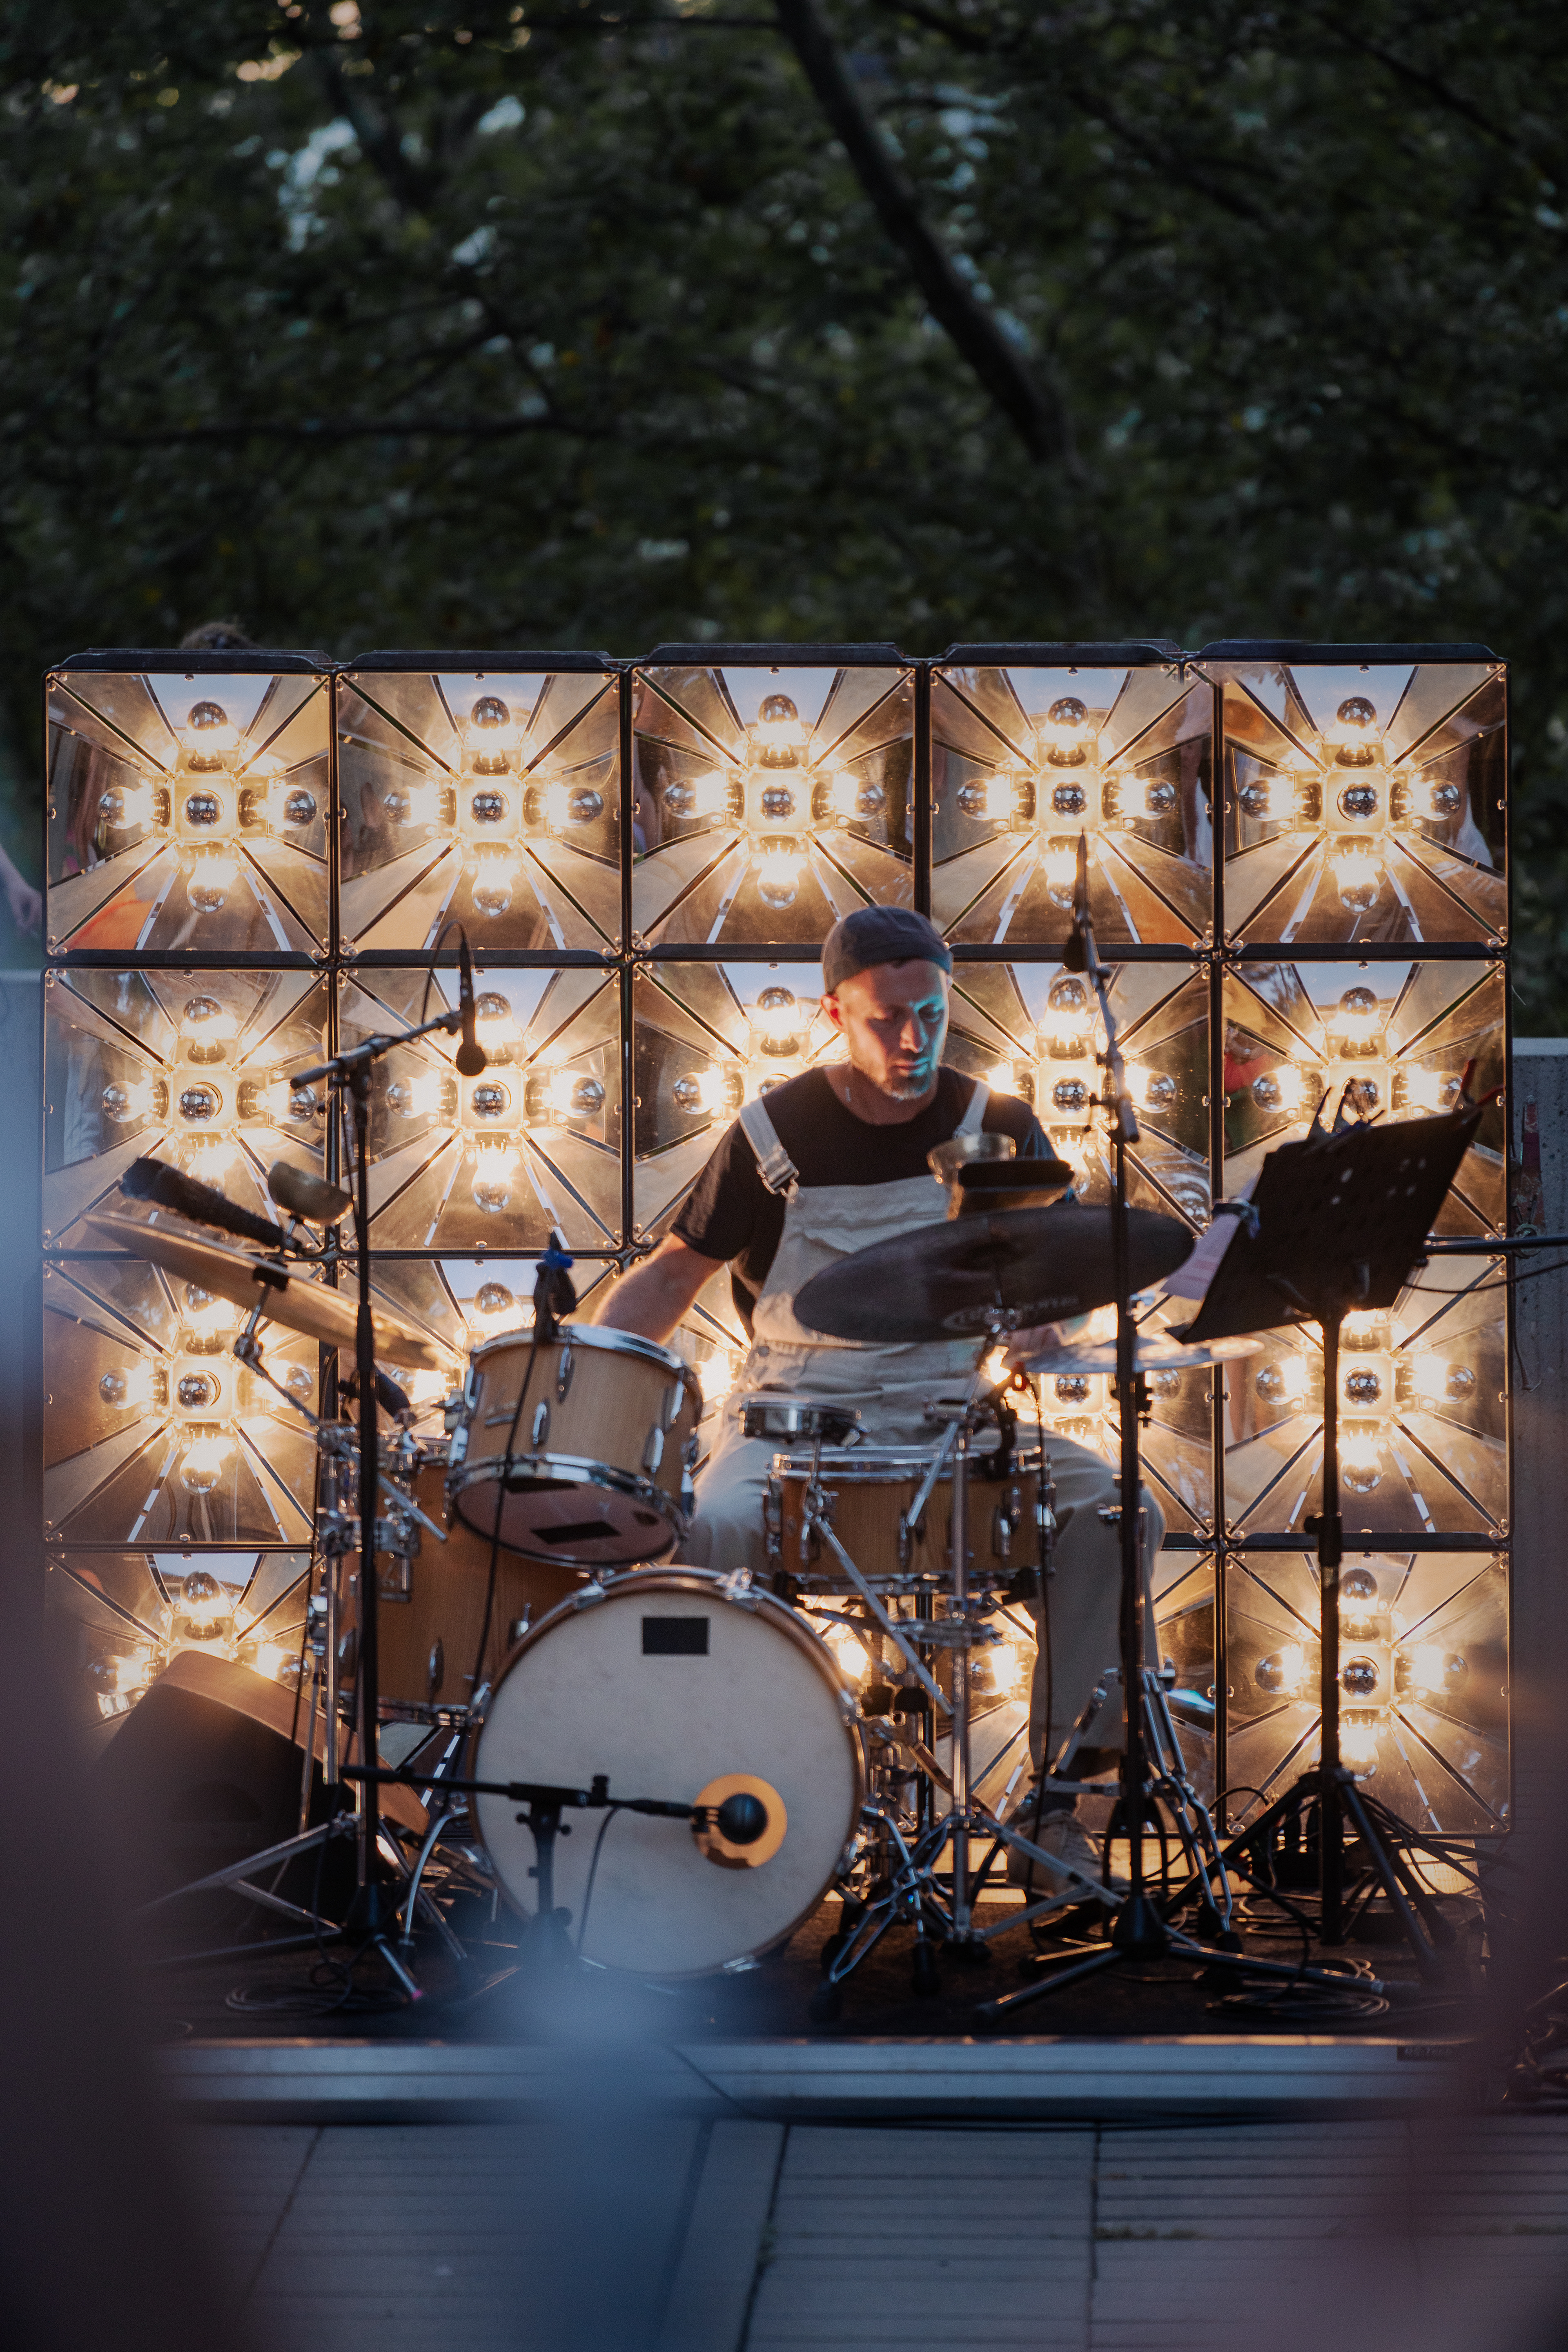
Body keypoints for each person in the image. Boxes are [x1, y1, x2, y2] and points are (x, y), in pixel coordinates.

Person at [592, 904, 1164, 1881]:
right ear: (834, 1015)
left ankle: (1057, 1806)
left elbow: (1064, 1271)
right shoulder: (773, 1131)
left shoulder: (999, 1127)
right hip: (795, 1421)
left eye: (931, 1015)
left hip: (952, 1419)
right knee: (706, 1532)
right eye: (887, 1018)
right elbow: (674, 1272)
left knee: (1116, 1511)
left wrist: (1047, 1320)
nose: (913, 1039)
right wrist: (584, 1372)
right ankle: (711, 1805)